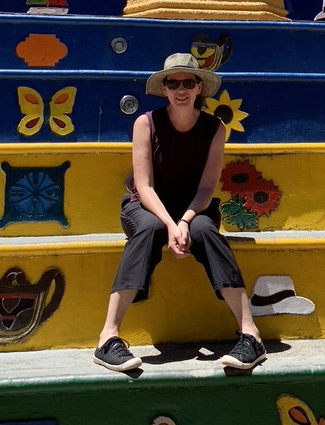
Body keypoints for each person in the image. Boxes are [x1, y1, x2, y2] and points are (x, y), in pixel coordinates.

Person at [94, 53, 266, 373]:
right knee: (149, 229)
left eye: (189, 82)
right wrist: (171, 225)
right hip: (145, 207)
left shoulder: (214, 128)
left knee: (204, 231)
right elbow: (144, 187)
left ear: (199, 87)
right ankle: (108, 337)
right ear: (165, 88)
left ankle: (250, 335)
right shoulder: (145, 123)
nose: (181, 89)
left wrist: (184, 221)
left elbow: (205, 189)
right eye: (173, 83)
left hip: (193, 208)